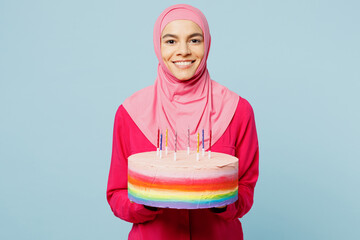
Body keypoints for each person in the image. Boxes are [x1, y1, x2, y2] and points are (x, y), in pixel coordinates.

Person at [107, 4, 259, 240]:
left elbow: (246, 189)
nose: (183, 51)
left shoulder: (238, 111)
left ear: (207, 43)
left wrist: (220, 201)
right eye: (171, 41)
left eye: (194, 40)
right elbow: (116, 194)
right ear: (158, 46)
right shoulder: (129, 114)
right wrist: (147, 202)